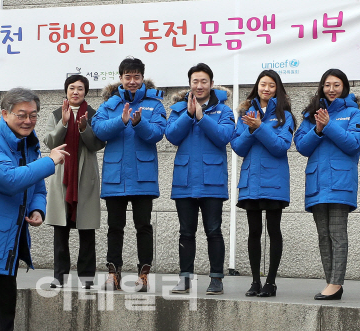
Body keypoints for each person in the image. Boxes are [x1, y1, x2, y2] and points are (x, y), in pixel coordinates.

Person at [0, 88, 69, 331]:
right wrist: (49, 161)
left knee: (6, 310)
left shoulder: (29, 145)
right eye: (22, 114)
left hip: (10, 242)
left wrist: (38, 210)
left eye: (34, 115)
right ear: (5, 114)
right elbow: (10, 180)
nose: (28, 120)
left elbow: (37, 187)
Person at [91, 57, 166, 292]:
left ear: (142, 78)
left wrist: (139, 123)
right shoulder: (109, 105)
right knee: (115, 227)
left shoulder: (155, 104)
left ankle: (143, 275)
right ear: (121, 78)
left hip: (143, 178)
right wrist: (121, 120)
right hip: (116, 177)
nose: (132, 81)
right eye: (127, 77)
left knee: (143, 226)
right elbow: (99, 129)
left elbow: (157, 133)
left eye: (136, 76)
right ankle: (114, 273)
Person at [293, 68, 360, 300]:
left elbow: (354, 144)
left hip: (340, 182)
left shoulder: (353, 113)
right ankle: (330, 283)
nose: (332, 89)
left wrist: (329, 125)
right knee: (323, 235)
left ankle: (336, 283)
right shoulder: (310, 114)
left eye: (336, 85)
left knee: (337, 233)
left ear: (344, 87)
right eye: (327, 85)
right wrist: (318, 128)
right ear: (321, 87)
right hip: (317, 182)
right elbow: (302, 147)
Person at [165, 63, 235, 295]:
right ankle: (185, 279)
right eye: (195, 81)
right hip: (185, 181)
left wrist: (202, 117)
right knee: (186, 232)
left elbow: (224, 136)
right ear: (190, 84)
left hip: (212, 181)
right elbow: (172, 136)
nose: (199, 85)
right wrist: (188, 114)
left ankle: (216, 279)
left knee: (213, 231)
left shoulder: (223, 110)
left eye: (204, 81)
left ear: (212, 84)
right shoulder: (177, 108)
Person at [232, 70, 296, 297]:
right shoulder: (244, 113)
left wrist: (260, 127)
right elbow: (238, 147)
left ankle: (271, 282)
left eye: (271, 85)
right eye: (263, 85)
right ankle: (255, 281)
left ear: (277, 88)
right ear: (256, 87)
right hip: (251, 181)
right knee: (254, 232)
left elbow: (280, 146)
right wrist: (251, 128)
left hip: (275, 182)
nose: (266, 89)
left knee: (273, 230)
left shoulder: (284, 115)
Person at [43, 75, 105, 289]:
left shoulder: (95, 114)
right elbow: (50, 142)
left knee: (86, 231)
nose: (76, 92)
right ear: (66, 91)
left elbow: (97, 144)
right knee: (61, 231)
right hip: (62, 178)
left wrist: (83, 127)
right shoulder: (56, 114)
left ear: (86, 92)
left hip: (85, 179)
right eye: (72, 88)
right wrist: (64, 122)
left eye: (80, 88)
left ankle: (87, 279)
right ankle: (59, 277)